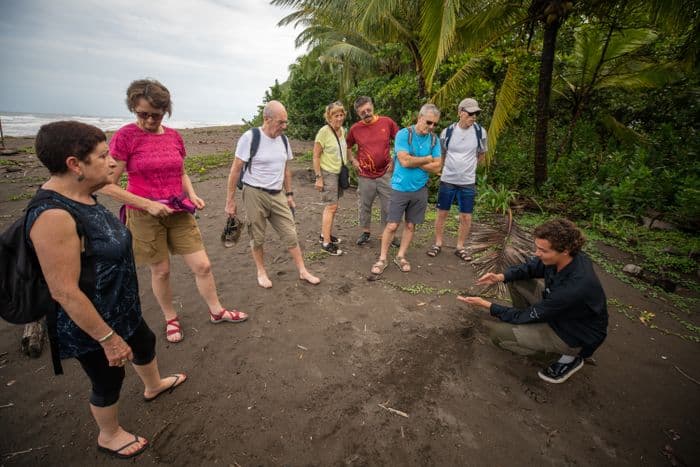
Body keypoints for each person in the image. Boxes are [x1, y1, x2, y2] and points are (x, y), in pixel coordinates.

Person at [28, 121, 186, 459]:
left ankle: (153, 385)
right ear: (75, 164)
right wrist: (108, 339)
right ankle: (109, 434)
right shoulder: (53, 215)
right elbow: (64, 292)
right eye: (102, 156)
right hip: (91, 325)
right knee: (107, 379)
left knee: (144, 342)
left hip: (121, 307)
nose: (113, 162)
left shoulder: (84, 193)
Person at [102, 79, 247, 344]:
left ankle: (216, 310)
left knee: (202, 264)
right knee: (162, 271)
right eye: (142, 114)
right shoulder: (125, 137)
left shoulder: (173, 136)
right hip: (144, 215)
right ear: (134, 109)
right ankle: (170, 318)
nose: (148, 120)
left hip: (178, 211)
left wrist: (192, 194)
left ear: (165, 111)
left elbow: (181, 173)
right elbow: (107, 185)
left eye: (155, 115)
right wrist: (148, 204)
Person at [457, 218, 608, 384]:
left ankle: (566, 358)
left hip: (573, 333)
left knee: (499, 335)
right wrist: (500, 276)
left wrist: (487, 305)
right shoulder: (566, 258)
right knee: (515, 279)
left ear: (565, 250)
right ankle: (531, 328)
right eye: (537, 247)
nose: (537, 253)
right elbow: (531, 267)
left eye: (543, 250)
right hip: (559, 311)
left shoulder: (573, 289)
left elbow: (530, 313)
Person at [225, 100, 320, 289]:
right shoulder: (250, 137)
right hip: (254, 193)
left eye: (286, 122)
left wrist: (290, 194)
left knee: (290, 233)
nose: (284, 127)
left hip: (278, 194)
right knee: (257, 236)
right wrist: (230, 201)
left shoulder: (284, 140)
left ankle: (302, 270)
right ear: (266, 119)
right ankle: (261, 271)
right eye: (280, 122)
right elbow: (235, 170)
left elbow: (286, 170)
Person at [370, 104, 442, 276]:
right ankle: (382, 258)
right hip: (400, 188)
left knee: (410, 225)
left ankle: (401, 256)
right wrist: (427, 159)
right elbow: (404, 162)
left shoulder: (434, 140)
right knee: (393, 225)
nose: (431, 127)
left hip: (420, 189)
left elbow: (438, 166)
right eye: (429, 122)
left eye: (435, 124)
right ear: (419, 118)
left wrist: (416, 161)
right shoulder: (404, 134)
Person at [427, 98, 488, 262]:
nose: (473, 117)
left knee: (466, 216)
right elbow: (442, 154)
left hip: (468, 181)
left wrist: (470, 168)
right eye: (470, 113)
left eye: (476, 114)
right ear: (461, 113)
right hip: (448, 179)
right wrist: (447, 169)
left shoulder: (480, 132)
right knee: (442, 213)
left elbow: (481, 154)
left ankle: (460, 247)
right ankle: (438, 243)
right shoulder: (447, 132)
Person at [346, 96, 400, 246]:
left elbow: (400, 140)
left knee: (388, 205)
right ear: (358, 113)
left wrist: (395, 159)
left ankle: (388, 234)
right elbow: (347, 145)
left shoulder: (387, 122)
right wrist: (353, 160)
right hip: (365, 175)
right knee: (364, 204)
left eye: (369, 110)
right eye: (363, 112)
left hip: (386, 173)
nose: (367, 113)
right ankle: (365, 232)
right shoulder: (355, 129)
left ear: (373, 107)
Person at [313, 101, 348, 256]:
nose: (339, 118)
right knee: (331, 206)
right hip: (328, 173)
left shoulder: (343, 131)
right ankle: (326, 243)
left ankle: (324, 235)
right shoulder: (323, 132)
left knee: (334, 206)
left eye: (341, 115)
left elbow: (345, 149)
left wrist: (352, 160)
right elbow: (316, 156)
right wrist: (319, 177)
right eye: (335, 115)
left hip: (339, 172)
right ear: (329, 117)